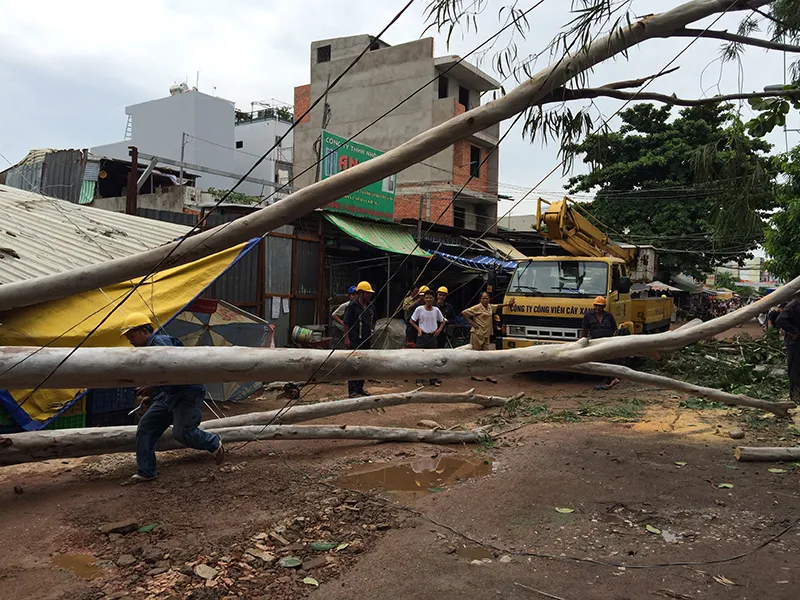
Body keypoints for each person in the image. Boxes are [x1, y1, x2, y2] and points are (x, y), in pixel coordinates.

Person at [120, 312, 223, 485]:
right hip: (168, 395)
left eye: (132, 336)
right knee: (146, 427)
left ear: (145, 331)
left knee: (183, 433)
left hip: (186, 393)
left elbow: (173, 372)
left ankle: (213, 442)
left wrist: (152, 388)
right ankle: (146, 471)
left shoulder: (160, 344)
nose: (130, 341)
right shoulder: (149, 349)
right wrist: (152, 395)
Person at [462, 292, 515, 383]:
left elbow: (498, 306)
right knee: (476, 355)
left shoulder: (490, 307)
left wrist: (508, 304)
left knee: (487, 355)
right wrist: (472, 323)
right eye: (483, 298)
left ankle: (489, 374)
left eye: (487, 298)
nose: (485, 300)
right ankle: (474, 374)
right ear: (480, 300)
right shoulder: (477, 307)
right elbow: (464, 313)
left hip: (487, 333)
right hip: (477, 333)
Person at [343, 281, 377, 398]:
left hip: (366, 340)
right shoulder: (352, 306)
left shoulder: (370, 306)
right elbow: (346, 322)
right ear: (361, 293)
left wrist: (372, 330)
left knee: (364, 365)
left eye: (370, 293)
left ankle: (360, 388)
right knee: (353, 365)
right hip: (354, 340)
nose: (369, 295)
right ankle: (352, 390)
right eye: (367, 293)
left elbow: (374, 319)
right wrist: (346, 338)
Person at [581, 296, 621, 391]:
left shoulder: (609, 316)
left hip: (608, 341)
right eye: (596, 306)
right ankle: (607, 379)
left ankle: (610, 380)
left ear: (604, 307)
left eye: (600, 306)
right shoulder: (588, 316)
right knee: (600, 360)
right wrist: (583, 341)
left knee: (610, 360)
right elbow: (585, 330)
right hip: (596, 342)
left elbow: (614, 329)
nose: (597, 308)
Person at [411, 290, 445, 386]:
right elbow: (412, 321)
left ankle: (433, 380)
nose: (428, 299)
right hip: (422, 336)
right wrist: (418, 329)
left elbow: (442, 321)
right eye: (427, 297)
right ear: (424, 299)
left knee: (433, 359)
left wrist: (439, 330)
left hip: (433, 336)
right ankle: (419, 379)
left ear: (433, 299)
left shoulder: (436, 310)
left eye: (430, 297)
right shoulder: (419, 309)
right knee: (420, 359)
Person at [774, 298, 800, 404]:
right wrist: (795, 332)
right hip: (795, 343)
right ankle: (795, 396)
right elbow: (780, 320)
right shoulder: (794, 305)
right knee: (795, 369)